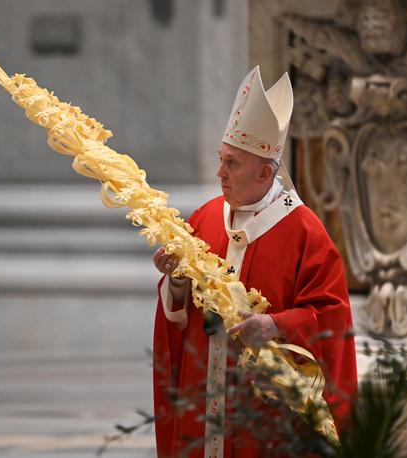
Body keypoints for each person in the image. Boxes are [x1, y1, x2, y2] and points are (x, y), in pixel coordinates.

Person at [151, 66, 357, 457]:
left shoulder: (305, 232)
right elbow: (178, 315)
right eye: (221, 159)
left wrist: (276, 325)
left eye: (232, 164)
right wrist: (175, 281)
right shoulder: (205, 218)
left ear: (265, 172)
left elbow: (332, 319)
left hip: (264, 414)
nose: (220, 173)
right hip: (204, 396)